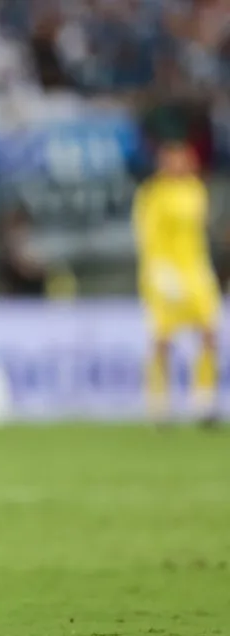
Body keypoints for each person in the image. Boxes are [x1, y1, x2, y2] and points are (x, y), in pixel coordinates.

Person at [133, 141, 221, 424]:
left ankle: (203, 401)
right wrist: (158, 271)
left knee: (209, 333)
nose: (178, 165)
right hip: (163, 272)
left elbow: (199, 233)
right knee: (162, 340)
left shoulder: (196, 189)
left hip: (195, 270)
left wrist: (204, 269)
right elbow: (147, 236)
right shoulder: (152, 194)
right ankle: (160, 403)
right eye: (172, 160)